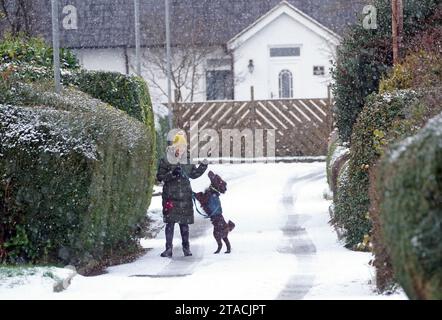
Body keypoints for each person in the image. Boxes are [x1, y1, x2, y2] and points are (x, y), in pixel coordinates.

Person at [156, 131, 208, 258]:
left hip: (184, 196)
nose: (181, 150)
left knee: (184, 224)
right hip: (170, 197)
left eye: (183, 147)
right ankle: (168, 249)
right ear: (173, 147)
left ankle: (186, 248)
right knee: (170, 223)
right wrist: (171, 174)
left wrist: (203, 166)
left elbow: (193, 174)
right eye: (179, 147)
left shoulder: (188, 160)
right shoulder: (166, 159)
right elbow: (159, 177)